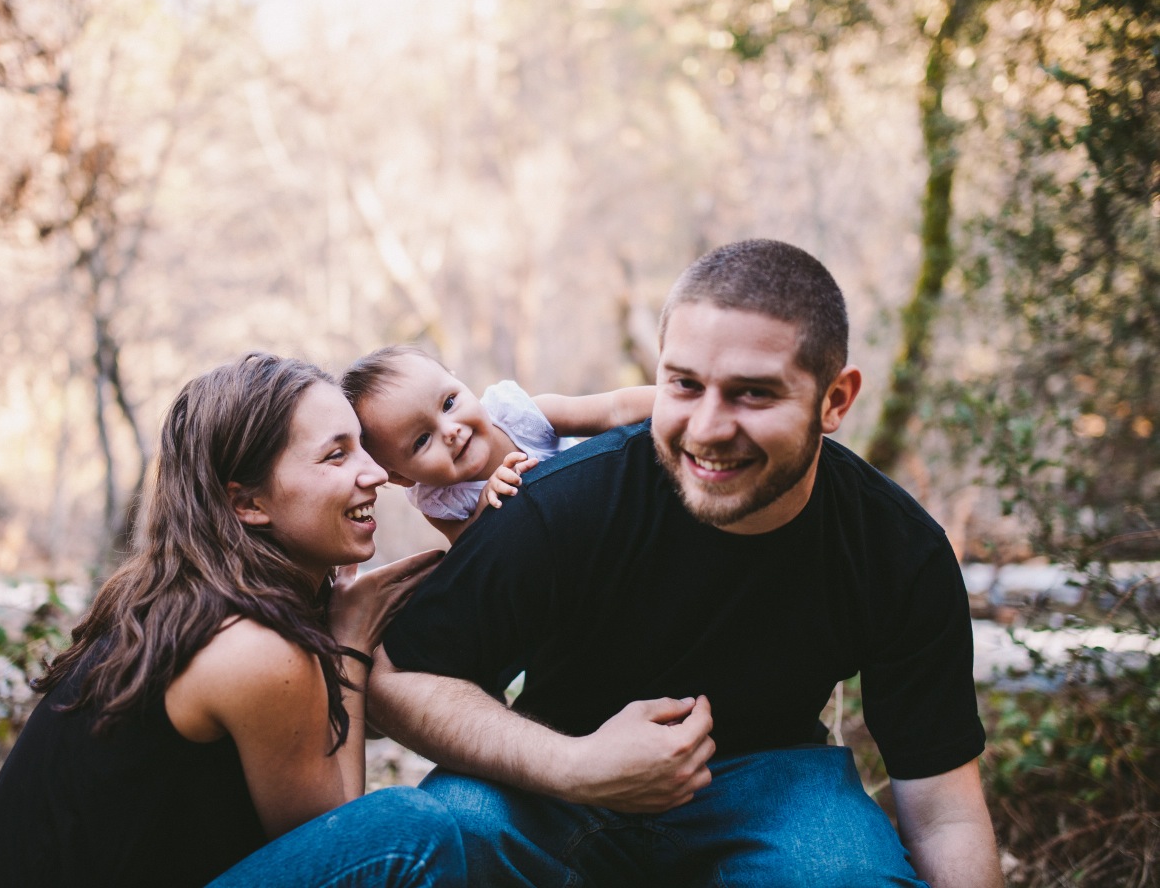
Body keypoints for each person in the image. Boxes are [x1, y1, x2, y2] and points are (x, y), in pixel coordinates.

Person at [369, 240, 1005, 887]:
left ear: (835, 400)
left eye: (752, 394)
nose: (706, 428)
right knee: (435, 832)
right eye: (684, 385)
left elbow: (943, 816)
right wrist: (574, 765)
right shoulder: (560, 502)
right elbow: (401, 678)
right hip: (553, 776)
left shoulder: (898, 551)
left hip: (779, 792)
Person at [0, 353, 466, 888]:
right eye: (336, 456)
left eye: (362, 445)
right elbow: (346, 842)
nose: (375, 473)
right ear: (248, 503)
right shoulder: (254, 648)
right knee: (410, 832)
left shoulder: (181, 601)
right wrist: (350, 644)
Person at [342, 345, 655, 542]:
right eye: (422, 440)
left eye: (449, 402)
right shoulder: (440, 501)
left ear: (461, 383)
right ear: (401, 476)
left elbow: (613, 409)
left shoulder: (517, 415)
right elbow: (468, 556)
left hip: (611, 500)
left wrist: (680, 401)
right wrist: (484, 510)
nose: (450, 431)